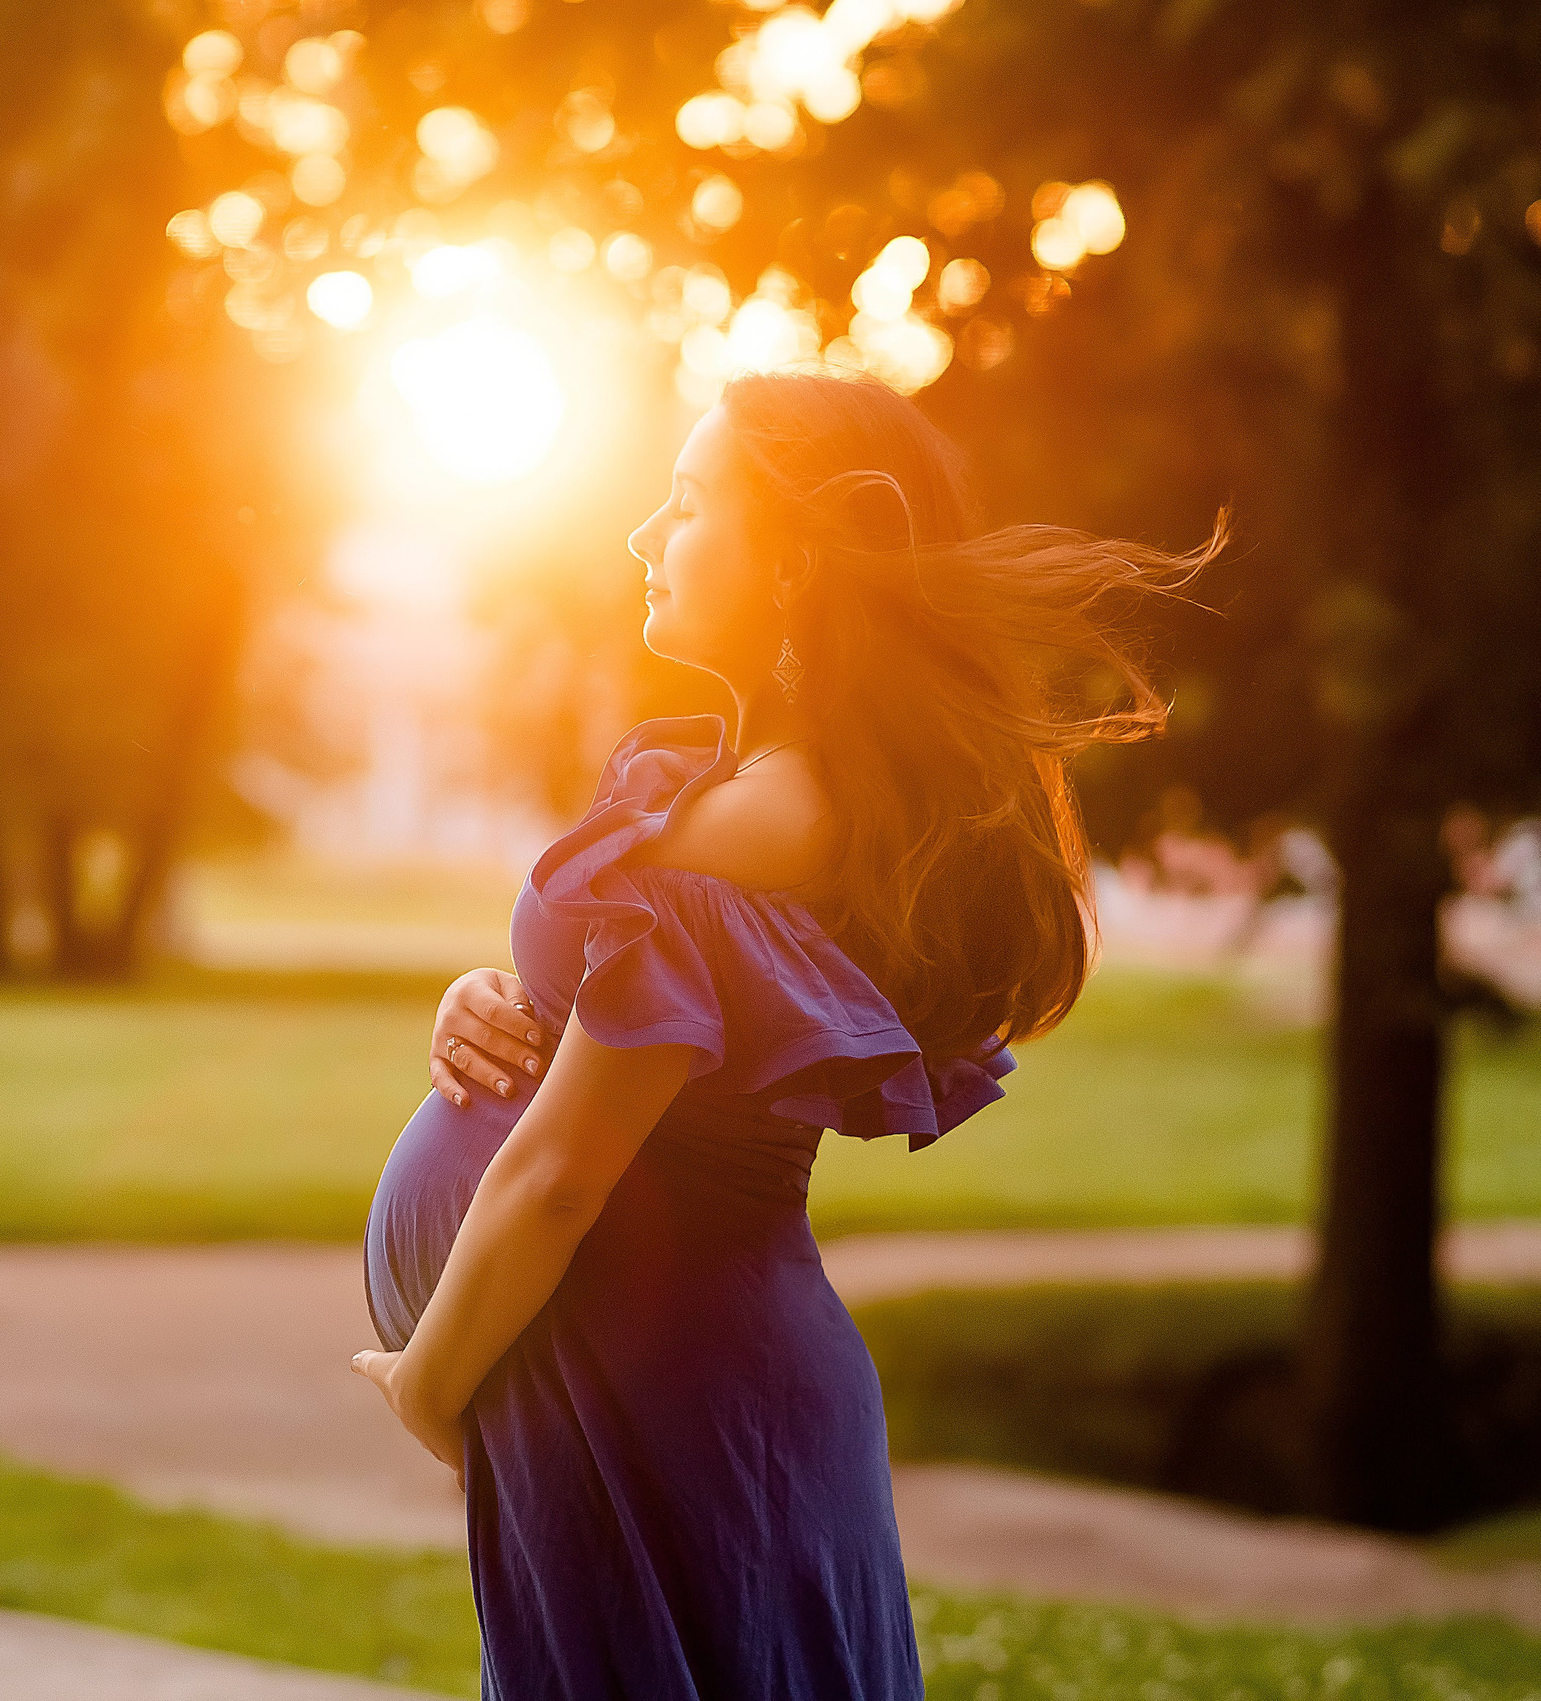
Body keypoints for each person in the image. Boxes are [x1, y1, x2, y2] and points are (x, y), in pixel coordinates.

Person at [352, 369, 1219, 1698]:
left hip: (673, 1396)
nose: (647, 534)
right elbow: (645, 1036)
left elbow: (557, 1173)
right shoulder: (781, 796)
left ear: (792, 565)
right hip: (683, 1384)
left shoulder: (765, 821)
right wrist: (494, 997)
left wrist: (428, 1381)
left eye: (691, 502)